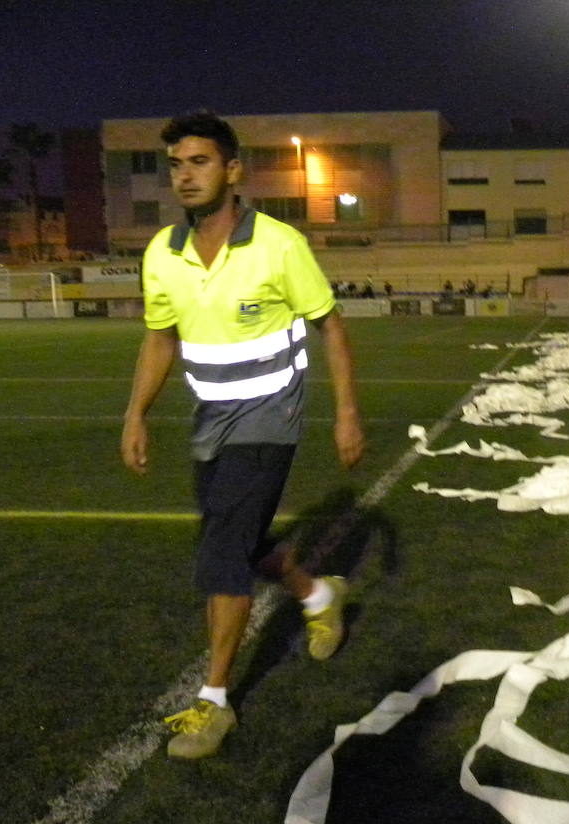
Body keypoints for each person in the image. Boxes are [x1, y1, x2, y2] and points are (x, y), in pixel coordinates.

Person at [121, 110, 364, 760]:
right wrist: (136, 411)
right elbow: (159, 337)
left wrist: (345, 413)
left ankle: (216, 703)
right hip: (212, 422)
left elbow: (331, 326)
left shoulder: (279, 244)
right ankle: (318, 592)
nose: (184, 175)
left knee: (221, 553)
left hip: (270, 417)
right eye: (175, 164)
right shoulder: (163, 254)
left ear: (232, 171)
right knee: (243, 543)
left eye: (198, 162)